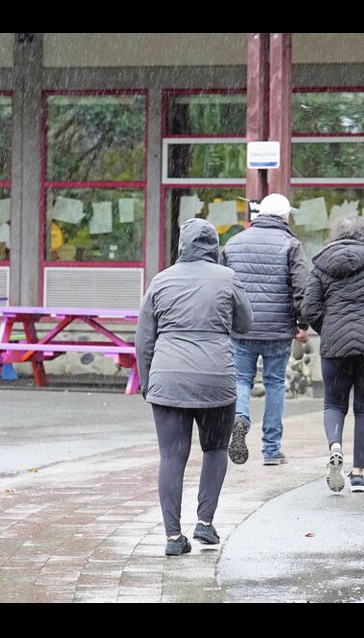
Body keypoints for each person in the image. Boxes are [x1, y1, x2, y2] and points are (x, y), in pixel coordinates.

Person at [135, 218, 254, 556]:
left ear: (182, 245)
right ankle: (205, 522)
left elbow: (144, 339)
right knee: (215, 449)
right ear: (214, 246)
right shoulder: (227, 278)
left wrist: (148, 382)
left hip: (168, 377)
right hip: (217, 378)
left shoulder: (160, 281)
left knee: (171, 455)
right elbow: (246, 324)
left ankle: (173, 537)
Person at [302, 215, 364, 493]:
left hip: (334, 347)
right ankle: (357, 475)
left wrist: (329, 329)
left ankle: (335, 447)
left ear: (335, 235)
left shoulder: (321, 266)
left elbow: (309, 308)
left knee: (333, 404)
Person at [218, 192, 310, 467]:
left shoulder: (234, 243)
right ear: (284, 216)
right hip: (278, 330)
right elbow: (302, 288)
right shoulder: (291, 245)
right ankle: (271, 450)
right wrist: (302, 324)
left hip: (241, 330)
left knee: (241, 381)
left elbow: (223, 285)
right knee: (274, 385)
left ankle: (240, 418)